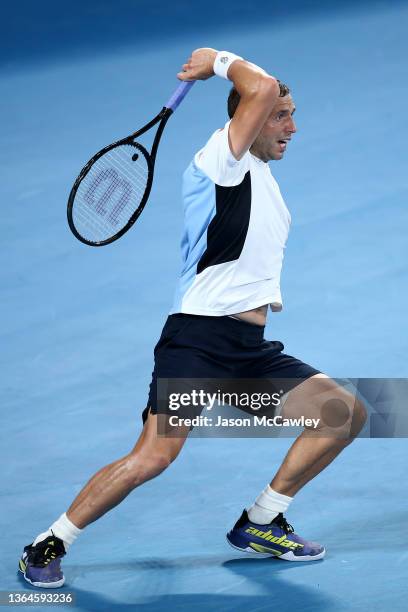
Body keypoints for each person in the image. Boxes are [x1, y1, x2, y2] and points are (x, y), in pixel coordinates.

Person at [19, 48, 367, 588]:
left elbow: (265, 93)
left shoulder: (262, 179)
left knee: (343, 414)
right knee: (154, 457)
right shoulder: (220, 160)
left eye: (292, 113)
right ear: (244, 118)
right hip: (198, 344)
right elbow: (260, 86)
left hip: (247, 352)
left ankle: (261, 520)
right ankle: (48, 542)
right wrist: (216, 60)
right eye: (280, 114)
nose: (292, 126)